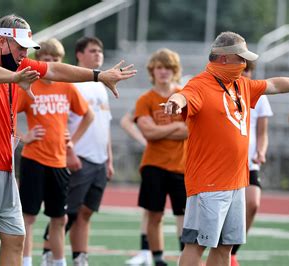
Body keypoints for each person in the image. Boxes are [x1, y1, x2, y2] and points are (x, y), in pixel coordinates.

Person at [0, 14, 135, 266]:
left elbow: (56, 69)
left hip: (3, 165)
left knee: (15, 237)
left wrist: (98, 76)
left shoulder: (18, 66)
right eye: (20, 46)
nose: (25, 52)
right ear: (3, 42)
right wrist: (14, 77)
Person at [161, 31, 289, 266]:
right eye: (242, 58)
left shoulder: (241, 84)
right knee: (196, 244)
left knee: (226, 246)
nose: (245, 63)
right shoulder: (200, 84)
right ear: (225, 58)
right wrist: (176, 102)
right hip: (209, 183)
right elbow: (185, 95)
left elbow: (275, 84)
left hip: (237, 181)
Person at [17, 38, 94, 266]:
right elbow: (7, 115)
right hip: (33, 159)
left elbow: (88, 115)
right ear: (38, 61)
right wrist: (23, 137)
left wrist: (72, 142)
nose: (50, 63)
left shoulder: (67, 86)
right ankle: (27, 261)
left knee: (59, 218)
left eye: (55, 60)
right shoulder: (28, 85)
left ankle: (59, 262)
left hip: (59, 162)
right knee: (28, 217)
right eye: (45, 59)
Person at [40, 36, 116, 266]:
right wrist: (69, 151)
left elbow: (105, 124)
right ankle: (48, 253)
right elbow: (60, 123)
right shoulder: (72, 83)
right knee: (66, 212)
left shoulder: (100, 86)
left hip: (99, 160)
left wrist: (109, 160)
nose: (98, 54)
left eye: (100, 51)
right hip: (78, 157)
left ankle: (80, 257)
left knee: (86, 211)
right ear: (80, 55)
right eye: (92, 51)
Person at [134, 48, 188, 266]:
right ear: (152, 70)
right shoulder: (145, 99)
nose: (163, 72)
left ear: (174, 71)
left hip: (182, 166)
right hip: (153, 165)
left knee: (184, 217)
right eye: (159, 67)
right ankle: (158, 259)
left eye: (168, 67)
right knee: (155, 215)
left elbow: (189, 130)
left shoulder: (184, 96)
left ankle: (186, 257)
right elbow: (148, 133)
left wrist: (162, 130)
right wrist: (175, 125)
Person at [230, 61, 273, 266]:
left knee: (253, 203)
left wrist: (261, 152)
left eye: (248, 69)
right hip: (226, 164)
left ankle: (232, 251)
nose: (244, 73)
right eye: (241, 69)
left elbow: (262, 133)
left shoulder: (259, 97)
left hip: (249, 163)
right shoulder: (226, 93)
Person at [120, 111, 152, 266]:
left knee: (183, 211)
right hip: (155, 162)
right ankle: (146, 253)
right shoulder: (148, 98)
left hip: (181, 162)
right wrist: (144, 140)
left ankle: (184, 253)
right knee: (150, 210)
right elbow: (126, 121)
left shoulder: (184, 96)